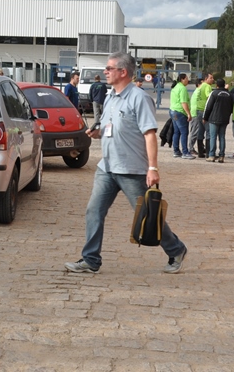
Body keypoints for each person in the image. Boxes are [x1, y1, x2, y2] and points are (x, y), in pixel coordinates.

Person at [64, 52, 187, 275]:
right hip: (107, 168)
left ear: (123, 72)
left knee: (147, 215)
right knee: (94, 211)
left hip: (131, 170)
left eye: (109, 68)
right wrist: (97, 133)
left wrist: (152, 168)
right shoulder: (110, 96)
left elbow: (149, 134)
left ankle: (176, 249)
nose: (105, 72)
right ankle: (91, 260)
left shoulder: (140, 98)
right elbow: (113, 128)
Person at [202, 79, 233, 163]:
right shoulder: (229, 94)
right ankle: (221, 156)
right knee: (222, 137)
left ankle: (212, 155)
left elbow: (208, 107)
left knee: (213, 137)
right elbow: (232, 107)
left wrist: (205, 117)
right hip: (224, 119)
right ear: (224, 85)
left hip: (214, 118)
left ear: (217, 85)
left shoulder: (214, 93)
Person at [189, 73, 215, 158]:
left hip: (197, 110)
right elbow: (209, 97)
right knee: (208, 131)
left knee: (200, 131)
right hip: (203, 110)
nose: (212, 79)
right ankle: (208, 152)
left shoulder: (200, 87)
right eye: (211, 78)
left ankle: (200, 152)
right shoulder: (207, 86)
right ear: (206, 79)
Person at [168, 74, 192, 159]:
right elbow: (183, 103)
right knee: (184, 132)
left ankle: (176, 151)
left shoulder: (175, 87)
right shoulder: (182, 88)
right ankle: (185, 152)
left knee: (176, 132)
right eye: (186, 78)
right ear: (182, 79)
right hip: (180, 112)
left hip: (173, 111)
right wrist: (189, 113)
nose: (188, 80)